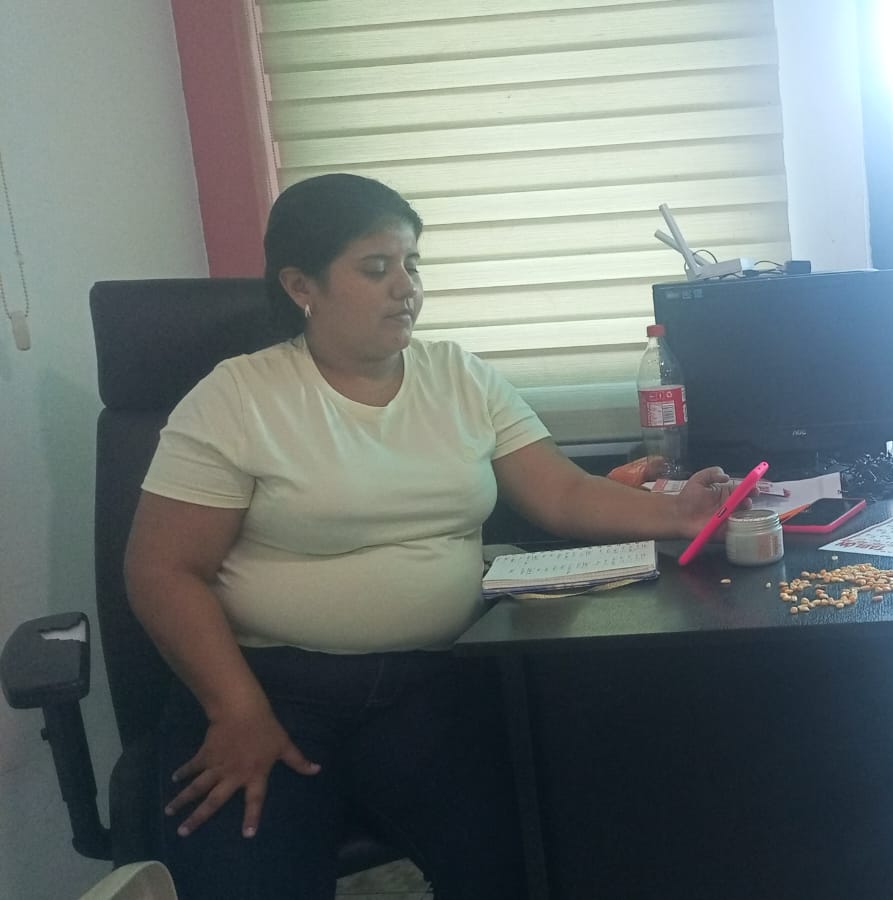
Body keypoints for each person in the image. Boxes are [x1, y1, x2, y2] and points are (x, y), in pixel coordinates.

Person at [124, 173, 738, 900]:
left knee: (538, 854)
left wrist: (680, 514)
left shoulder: (459, 377)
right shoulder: (237, 397)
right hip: (269, 688)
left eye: (412, 264)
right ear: (301, 286)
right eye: (375, 268)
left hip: (433, 682)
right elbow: (163, 570)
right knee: (242, 879)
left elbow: (563, 493)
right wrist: (236, 710)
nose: (405, 288)